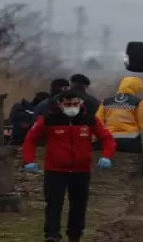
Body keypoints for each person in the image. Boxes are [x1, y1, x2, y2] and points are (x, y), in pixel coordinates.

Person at [23, 89, 116, 242]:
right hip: (55, 170)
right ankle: (52, 235)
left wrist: (107, 156)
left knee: (79, 206)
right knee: (54, 203)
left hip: (81, 170)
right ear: (60, 104)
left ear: (80, 103)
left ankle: (75, 235)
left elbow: (108, 139)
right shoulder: (48, 119)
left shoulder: (90, 120)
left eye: (75, 103)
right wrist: (29, 160)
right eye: (67, 104)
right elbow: (30, 139)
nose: (71, 107)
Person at [95, 76, 143, 153]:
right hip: (131, 142)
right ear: (137, 88)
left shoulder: (106, 101)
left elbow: (97, 121)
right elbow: (142, 124)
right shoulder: (138, 102)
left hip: (108, 140)